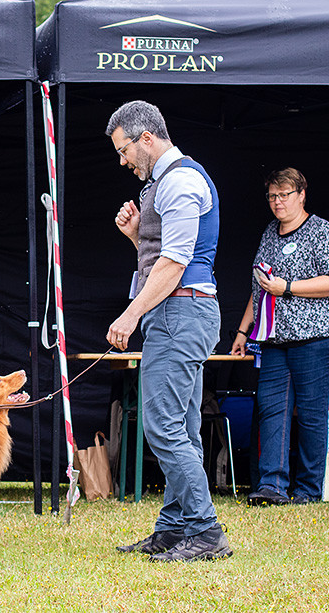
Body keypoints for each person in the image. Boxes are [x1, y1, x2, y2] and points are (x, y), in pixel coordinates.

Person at [105, 100, 232, 562]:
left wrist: (130, 314)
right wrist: (138, 236)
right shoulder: (167, 183)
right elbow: (165, 251)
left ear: (147, 139)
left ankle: (205, 530)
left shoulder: (179, 181)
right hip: (181, 314)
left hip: (182, 313)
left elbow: (176, 264)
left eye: (124, 150)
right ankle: (175, 527)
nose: (123, 161)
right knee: (182, 426)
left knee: (161, 425)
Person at [231, 168, 329, 505]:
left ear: (301, 195)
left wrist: (288, 288)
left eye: (284, 195)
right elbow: (260, 289)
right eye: (272, 196)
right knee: (271, 408)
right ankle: (272, 486)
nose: (277, 202)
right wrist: (244, 330)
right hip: (274, 339)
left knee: (310, 413)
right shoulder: (269, 233)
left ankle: (308, 491)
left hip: (319, 336)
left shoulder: (322, 230)